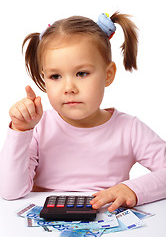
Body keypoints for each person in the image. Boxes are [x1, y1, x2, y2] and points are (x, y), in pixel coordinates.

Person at [0, 12, 166, 213]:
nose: (69, 87)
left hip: (106, 221)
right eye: (55, 76)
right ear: (44, 79)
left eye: (81, 73)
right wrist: (20, 130)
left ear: (108, 74)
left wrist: (131, 189)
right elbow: (10, 191)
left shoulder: (129, 129)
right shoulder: (38, 127)